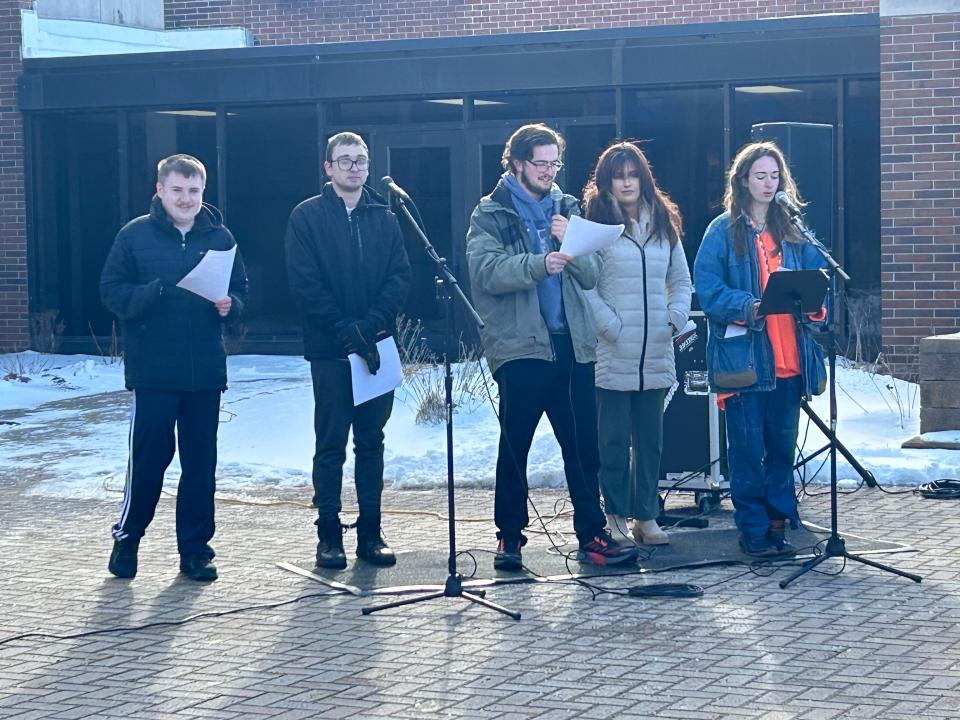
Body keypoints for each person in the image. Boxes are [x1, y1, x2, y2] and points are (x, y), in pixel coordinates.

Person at [466, 123, 639, 570]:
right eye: (540, 163)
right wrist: (539, 263)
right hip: (522, 347)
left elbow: (591, 274)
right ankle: (510, 538)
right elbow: (486, 272)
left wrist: (571, 244)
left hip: (572, 344)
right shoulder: (492, 213)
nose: (548, 171)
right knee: (515, 446)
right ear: (518, 163)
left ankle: (591, 536)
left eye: (554, 162)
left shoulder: (568, 207)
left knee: (583, 446)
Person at [100, 153, 248, 581]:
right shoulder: (134, 236)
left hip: (204, 372)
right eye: (178, 190)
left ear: (203, 192)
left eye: (194, 191)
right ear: (160, 190)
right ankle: (128, 539)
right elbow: (111, 291)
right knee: (149, 462)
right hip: (153, 373)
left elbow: (241, 291)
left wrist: (230, 306)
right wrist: (151, 295)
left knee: (200, 466)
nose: (186, 199)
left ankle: (196, 551)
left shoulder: (220, 237)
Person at [285, 131, 412, 571]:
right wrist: (345, 330)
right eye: (345, 161)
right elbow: (305, 284)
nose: (354, 167)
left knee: (372, 442)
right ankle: (328, 536)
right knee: (331, 445)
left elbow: (400, 277)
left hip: (377, 349)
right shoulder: (307, 217)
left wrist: (370, 326)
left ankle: (371, 534)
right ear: (328, 168)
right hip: (330, 350)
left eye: (360, 160)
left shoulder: (386, 216)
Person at [694, 141, 827, 558]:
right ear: (743, 180)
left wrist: (817, 301)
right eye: (760, 176)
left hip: (790, 359)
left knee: (782, 449)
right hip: (748, 362)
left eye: (775, 176)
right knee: (748, 451)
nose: (769, 184)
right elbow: (709, 288)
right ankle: (752, 528)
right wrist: (748, 306)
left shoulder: (794, 229)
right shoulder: (722, 230)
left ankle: (777, 524)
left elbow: (821, 278)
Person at [582, 142, 692, 547]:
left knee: (650, 442)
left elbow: (681, 281)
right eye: (618, 175)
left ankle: (647, 517)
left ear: (643, 178)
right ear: (607, 181)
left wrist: (675, 318)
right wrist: (609, 325)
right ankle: (614, 518)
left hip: (656, 352)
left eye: (632, 174)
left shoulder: (664, 222)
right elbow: (581, 284)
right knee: (611, 442)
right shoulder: (595, 224)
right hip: (612, 353)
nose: (626, 182)